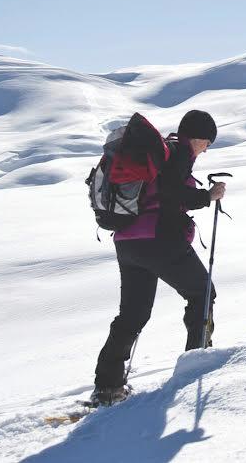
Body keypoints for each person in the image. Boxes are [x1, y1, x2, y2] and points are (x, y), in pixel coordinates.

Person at [91, 110, 225, 405]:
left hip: (128, 243)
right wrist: (208, 197)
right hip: (159, 240)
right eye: (208, 143)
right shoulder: (178, 154)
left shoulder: (160, 154)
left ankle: (108, 386)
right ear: (199, 137)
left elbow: (164, 190)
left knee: (133, 314)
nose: (206, 150)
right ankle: (195, 368)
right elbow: (171, 194)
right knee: (202, 292)